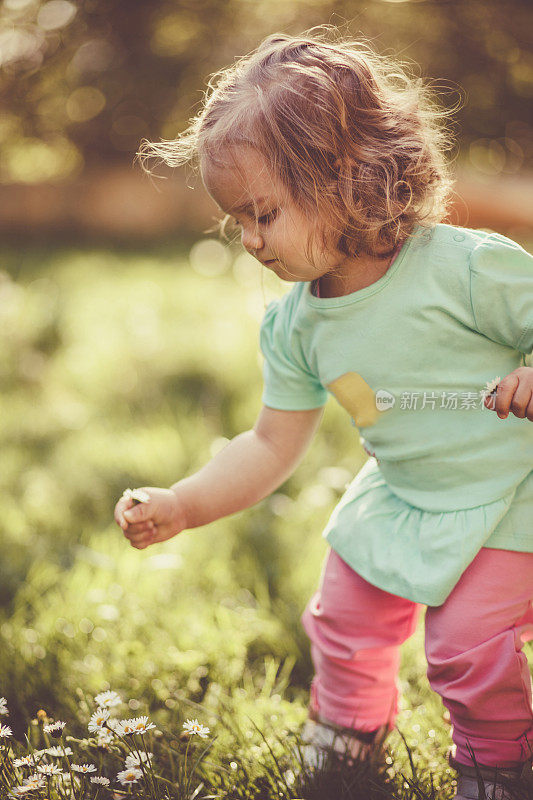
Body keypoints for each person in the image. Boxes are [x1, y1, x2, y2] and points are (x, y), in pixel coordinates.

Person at [114, 30, 533, 800]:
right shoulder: (296, 326)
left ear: (345, 177)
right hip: (405, 492)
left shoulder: (462, 268)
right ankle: (347, 733)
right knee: (341, 615)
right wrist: (183, 503)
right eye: (234, 221)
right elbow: (270, 444)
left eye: (262, 214)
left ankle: (495, 765)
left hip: (509, 494)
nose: (247, 240)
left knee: (465, 646)